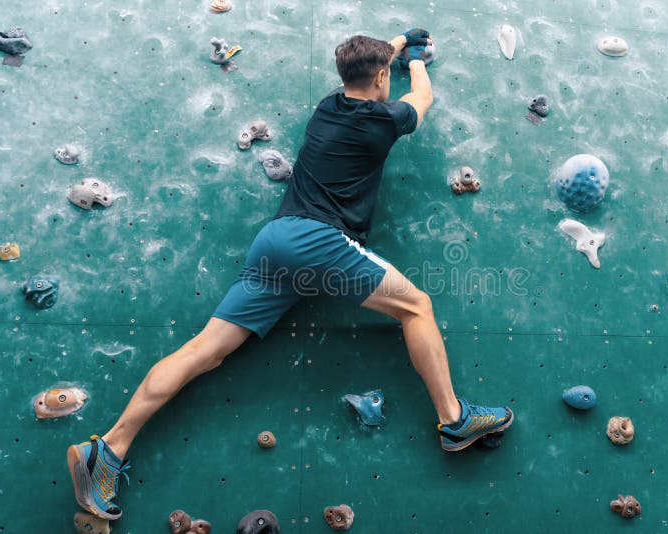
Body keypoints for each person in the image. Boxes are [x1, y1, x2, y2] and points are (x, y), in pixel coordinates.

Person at [67, 29, 514, 521]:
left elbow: (367, 68)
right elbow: (421, 97)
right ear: (384, 76)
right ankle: (454, 420)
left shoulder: (327, 107)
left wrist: (393, 45)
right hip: (317, 242)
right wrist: (419, 59)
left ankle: (108, 448)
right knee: (417, 306)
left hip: (274, 242)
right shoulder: (383, 120)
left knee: (204, 351)